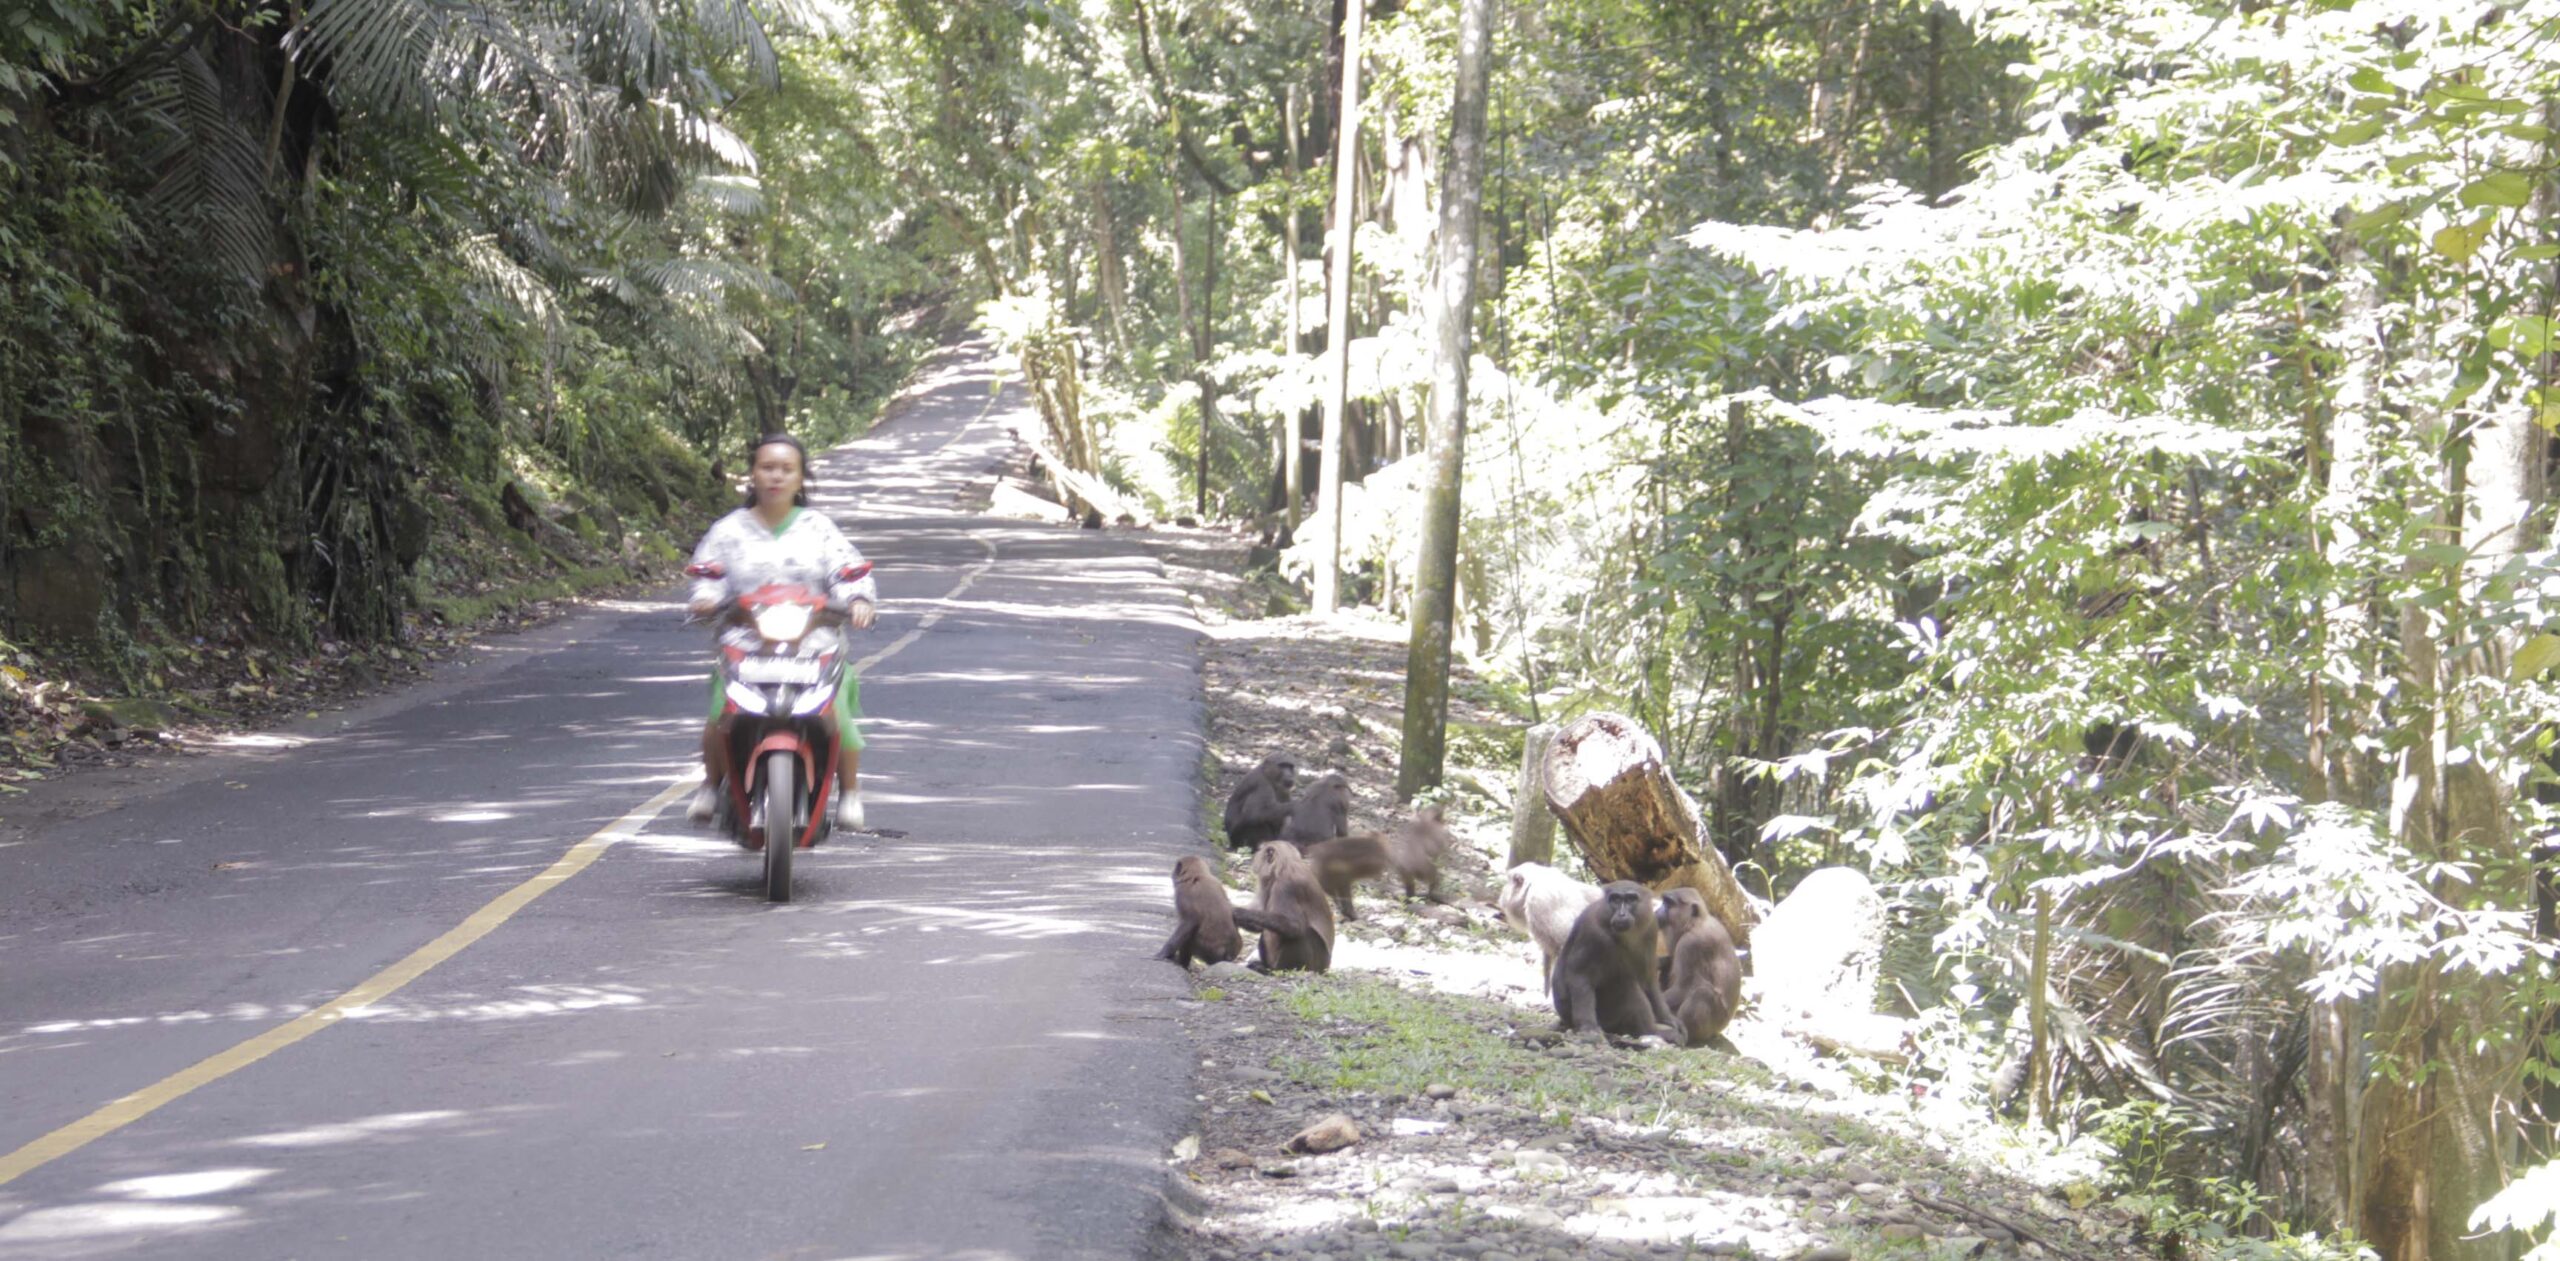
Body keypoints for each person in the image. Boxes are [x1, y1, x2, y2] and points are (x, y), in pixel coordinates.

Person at [686, 433, 879, 830]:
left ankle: (850, 792)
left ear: (800, 478)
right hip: (745, 644)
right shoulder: (728, 530)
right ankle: (710, 783)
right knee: (722, 709)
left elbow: (847, 572)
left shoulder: (819, 528)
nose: (776, 476)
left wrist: (859, 599)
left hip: (814, 644)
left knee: (836, 710)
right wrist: (706, 599)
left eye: (786, 469)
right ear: (752, 474)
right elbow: (709, 577)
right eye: (768, 467)